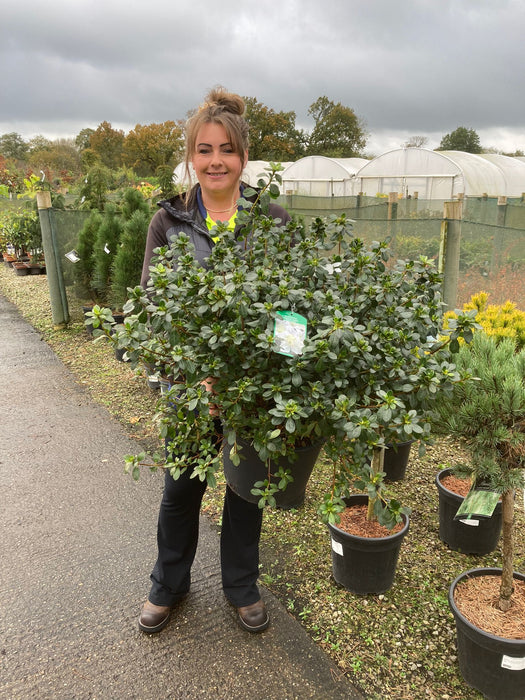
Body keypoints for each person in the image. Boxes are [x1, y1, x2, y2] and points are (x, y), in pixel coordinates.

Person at [137, 87, 291, 634]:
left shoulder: (269, 217)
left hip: (252, 391)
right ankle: (167, 585)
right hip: (189, 389)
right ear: (191, 157)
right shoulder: (168, 223)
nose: (215, 160)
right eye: (204, 149)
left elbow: (291, 308)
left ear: (244, 156)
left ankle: (240, 585)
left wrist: (275, 377)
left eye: (226, 149)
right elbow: (154, 308)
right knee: (181, 489)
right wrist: (189, 378)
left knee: (246, 491)